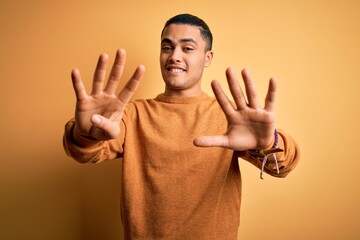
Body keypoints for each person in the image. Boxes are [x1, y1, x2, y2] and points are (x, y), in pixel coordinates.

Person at [63, 13, 299, 240]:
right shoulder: (133, 114)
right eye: (167, 47)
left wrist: (267, 143)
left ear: (207, 58)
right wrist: (86, 133)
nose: (174, 56)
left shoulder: (230, 116)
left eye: (187, 48)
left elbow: (284, 165)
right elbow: (85, 153)